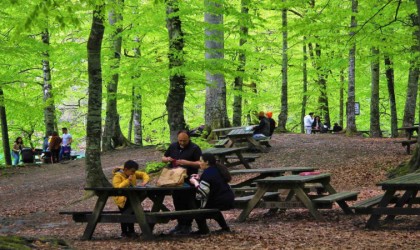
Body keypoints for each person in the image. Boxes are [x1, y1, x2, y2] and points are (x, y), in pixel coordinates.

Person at [162, 130, 202, 235]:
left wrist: (186, 162)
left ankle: (187, 225)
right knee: (177, 200)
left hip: (189, 179)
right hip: (174, 179)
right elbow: (163, 158)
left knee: (188, 202)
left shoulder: (195, 148)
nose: (182, 143)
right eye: (180, 141)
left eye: (184, 141)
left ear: (189, 139)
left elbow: (200, 164)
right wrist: (167, 159)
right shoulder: (173, 146)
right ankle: (180, 224)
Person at [189, 153, 234, 235]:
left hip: (220, 200)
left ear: (207, 162)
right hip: (228, 198)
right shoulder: (216, 169)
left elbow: (202, 193)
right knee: (209, 206)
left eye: (201, 161)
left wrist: (195, 182)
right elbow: (212, 181)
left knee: (194, 204)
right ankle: (225, 228)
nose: (199, 163)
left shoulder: (207, 174)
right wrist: (200, 178)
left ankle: (203, 230)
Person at [112, 160, 150, 238]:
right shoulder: (117, 176)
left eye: (134, 171)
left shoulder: (132, 173)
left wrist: (145, 181)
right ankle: (124, 232)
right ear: (126, 169)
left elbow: (143, 174)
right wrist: (128, 180)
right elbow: (117, 188)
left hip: (131, 197)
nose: (133, 173)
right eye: (132, 171)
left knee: (132, 213)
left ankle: (131, 231)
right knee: (125, 214)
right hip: (122, 200)